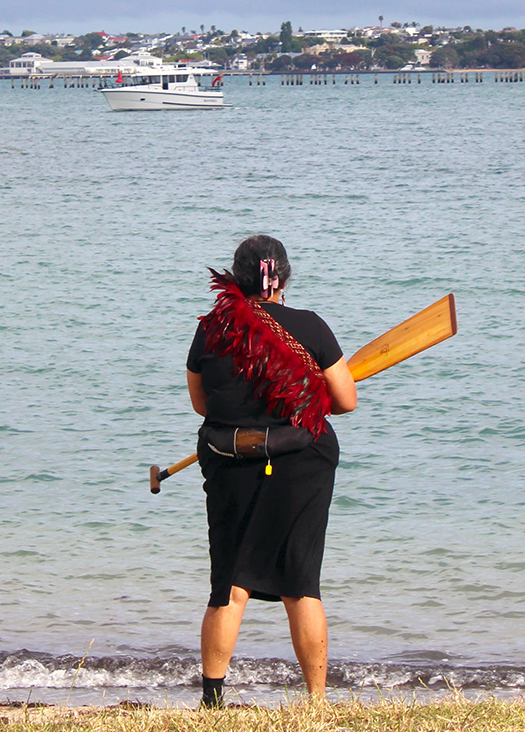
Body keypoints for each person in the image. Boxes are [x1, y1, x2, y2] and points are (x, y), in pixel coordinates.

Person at [186, 234, 357, 706]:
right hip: (301, 466)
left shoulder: (210, 330)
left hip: (229, 462)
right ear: (283, 278)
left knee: (229, 584)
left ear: (238, 279)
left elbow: (203, 405)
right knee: (300, 585)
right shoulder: (312, 327)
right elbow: (345, 401)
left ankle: (212, 702)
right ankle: (317, 702)